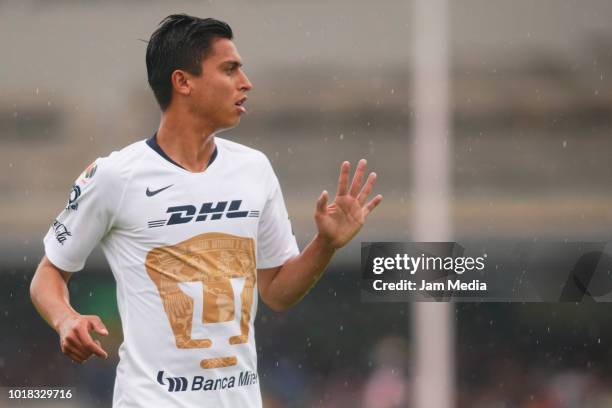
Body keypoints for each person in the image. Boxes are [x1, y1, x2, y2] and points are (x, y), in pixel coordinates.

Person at [30, 14, 382, 407]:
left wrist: (325, 245)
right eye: (229, 69)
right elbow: (49, 273)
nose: (245, 82)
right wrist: (66, 319)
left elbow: (278, 291)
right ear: (183, 82)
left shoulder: (254, 168)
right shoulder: (115, 176)